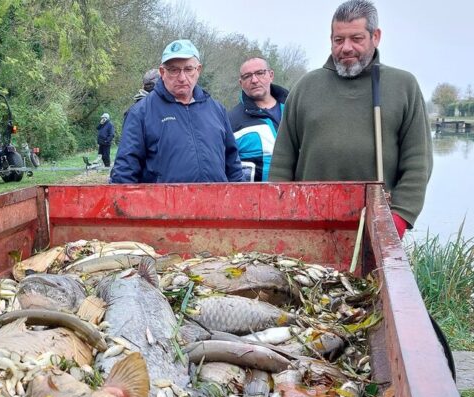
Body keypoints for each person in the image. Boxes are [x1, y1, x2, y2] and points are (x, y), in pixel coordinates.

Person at [270, 0, 431, 238]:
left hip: (377, 225)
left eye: (356, 39)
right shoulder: (305, 87)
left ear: (375, 36)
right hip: (310, 223)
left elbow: (418, 161)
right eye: (338, 40)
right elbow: (282, 161)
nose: (346, 48)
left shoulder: (403, 86)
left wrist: (399, 217)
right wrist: (280, 213)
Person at [111, 39, 244, 183]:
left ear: (198, 70)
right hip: (162, 205)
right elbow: (124, 173)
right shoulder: (140, 113)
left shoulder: (217, 110)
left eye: (188, 69)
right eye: (174, 70)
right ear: (162, 72)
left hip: (216, 203)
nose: (182, 78)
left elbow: (233, 165)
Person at [228, 58, 289, 182]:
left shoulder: (294, 109)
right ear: (241, 82)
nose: (254, 80)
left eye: (260, 73)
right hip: (257, 198)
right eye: (247, 76)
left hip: (300, 195)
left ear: (271, 75)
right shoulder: (231, 121)